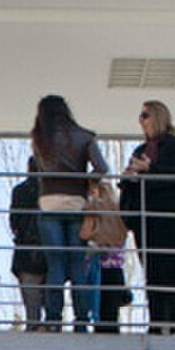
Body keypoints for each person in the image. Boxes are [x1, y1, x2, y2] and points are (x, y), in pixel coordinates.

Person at [30, 95, 109, 331]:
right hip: (77, 204)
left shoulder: (40, 139)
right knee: (77, 264)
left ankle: (54, 319)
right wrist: (85, 181)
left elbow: (39, 170)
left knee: (55, 264)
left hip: (49, 204)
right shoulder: (85, 136)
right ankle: (81, 320)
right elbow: (102, 168)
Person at [122, 100, 175, 334]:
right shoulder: (140, 150)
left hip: (167, 216)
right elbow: (130, 185)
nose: (141, 120)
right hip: (145, 219)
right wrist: (130, 176)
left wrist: (149, 170)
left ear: (157, 117)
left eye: (145, 115)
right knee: (152, 271)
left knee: (171, 268)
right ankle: (156, 322)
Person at [7, 161, 48, 330]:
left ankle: (33, 326)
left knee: (32, 304)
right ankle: (53, 325)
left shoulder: (19, 191)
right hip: (50, 249)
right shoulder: (51, 191)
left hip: (26, 251)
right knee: (52, 297)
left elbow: (14, 221)